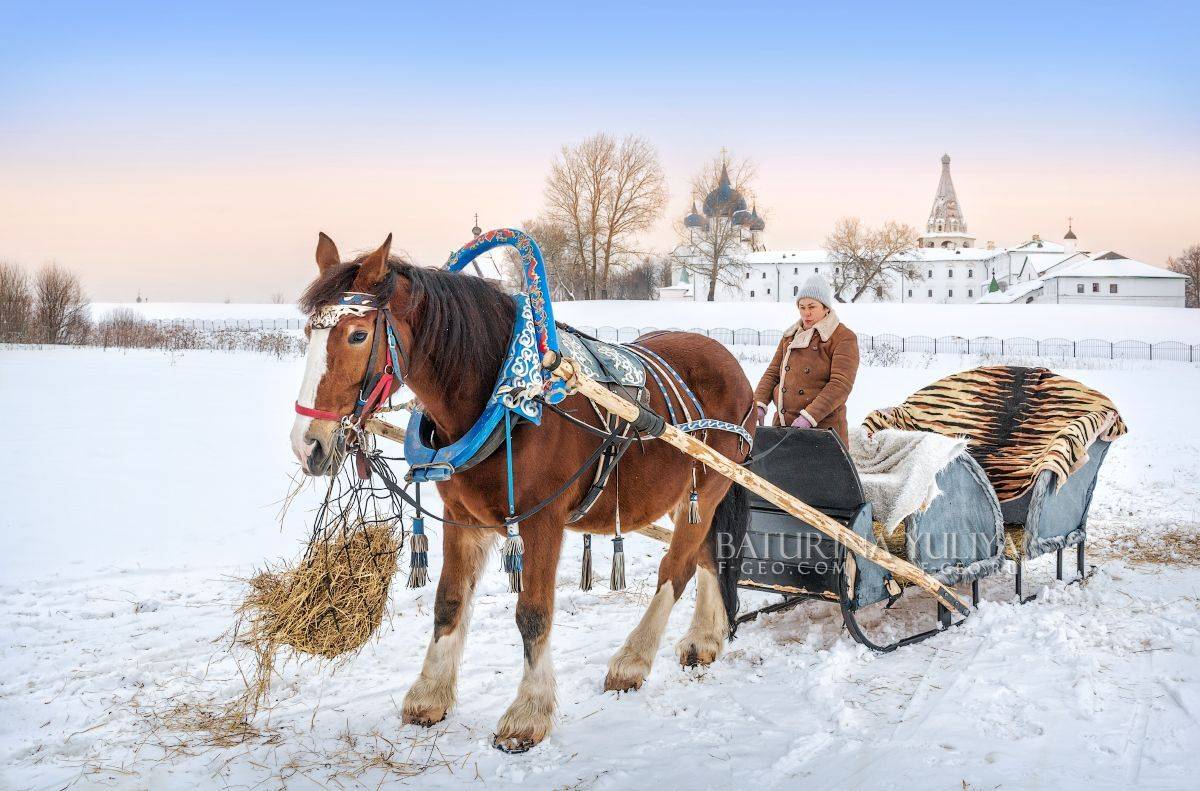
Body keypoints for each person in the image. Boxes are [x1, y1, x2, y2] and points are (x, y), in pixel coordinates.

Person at [754, 274, 860, 444]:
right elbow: (773, 373)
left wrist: (809, 417)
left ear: (825, 308)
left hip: (823, 433)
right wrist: (759, 403)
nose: (806, 313)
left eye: (812, 307)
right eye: (802, 307)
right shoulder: (790, 336)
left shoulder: (843, 337)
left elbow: (840, 385)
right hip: (782, 428)